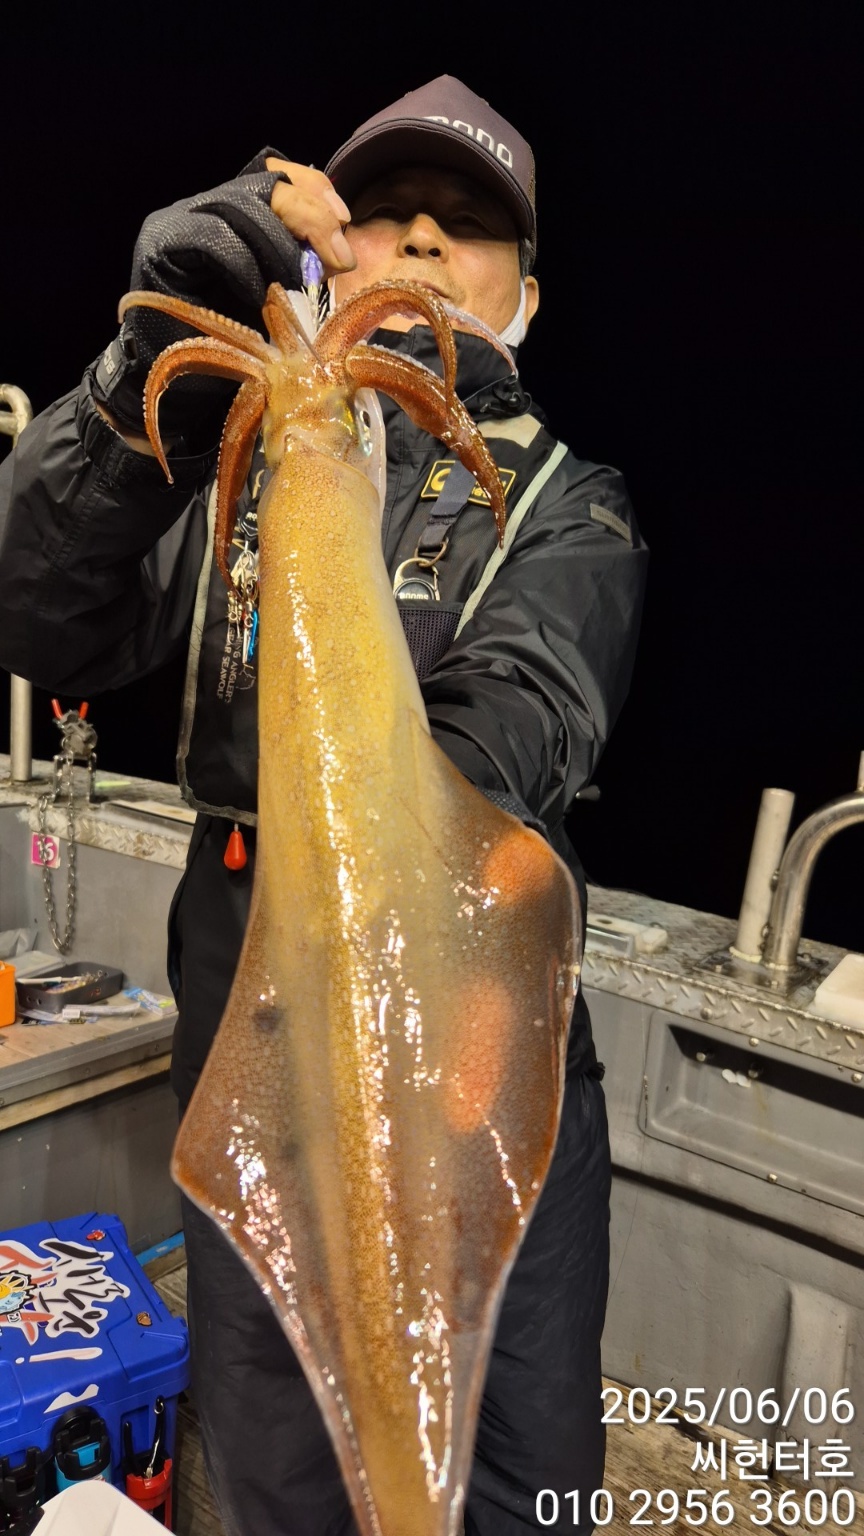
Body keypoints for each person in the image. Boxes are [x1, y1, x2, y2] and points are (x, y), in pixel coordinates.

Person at [0, 77, 647, 1536]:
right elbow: (39, 611)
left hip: (478, 994)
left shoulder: (569, 503)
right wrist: (138, 379)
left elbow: (518, 725)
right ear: (322, 255)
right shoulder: (224, 476)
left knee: (517, 1449)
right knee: (274, 1446)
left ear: (528, 297)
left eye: (464, 224)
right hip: (252, 965)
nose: (418, 241)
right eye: (387, 214)